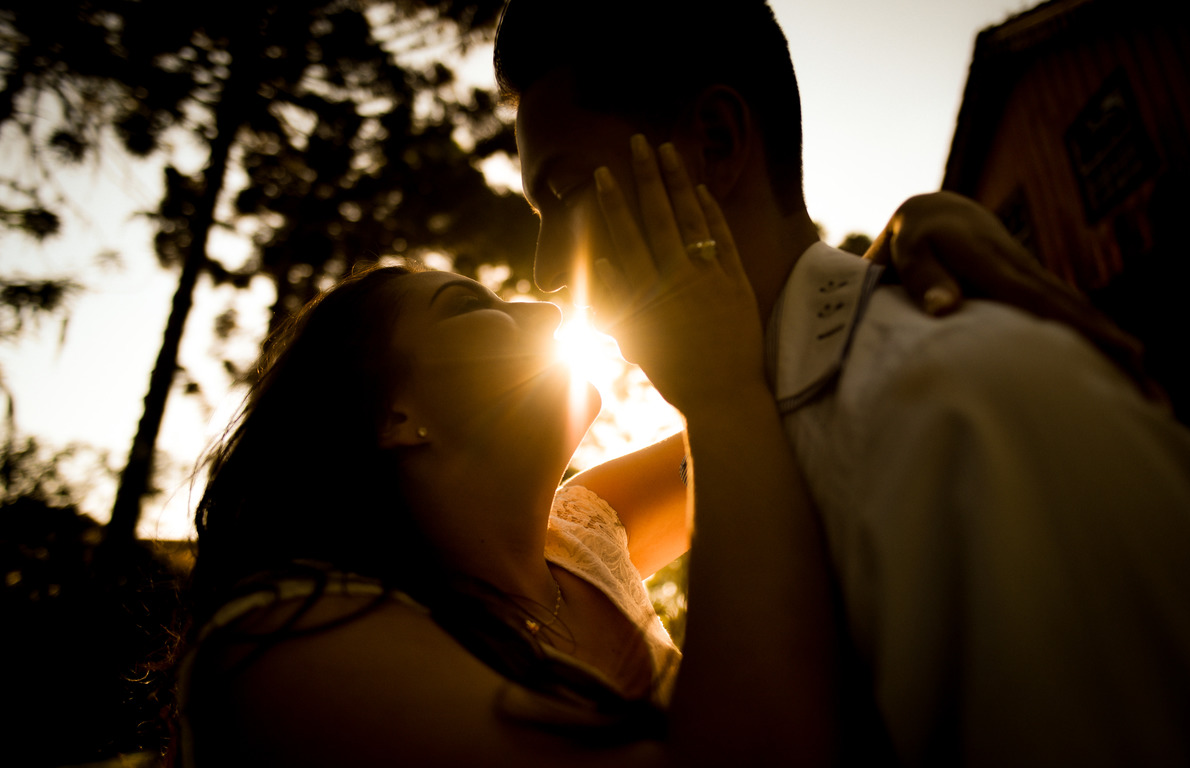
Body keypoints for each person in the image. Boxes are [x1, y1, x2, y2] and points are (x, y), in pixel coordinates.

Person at [493, 0, 1190, 764]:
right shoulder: (751, 429)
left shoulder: (955, 402)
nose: (550, 268)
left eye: (564, 192)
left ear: (717, 142)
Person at [177, 151, 840, 766]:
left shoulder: (588, 534)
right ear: (393, 416)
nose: (547, 316)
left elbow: (796, 405)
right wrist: (718, 395)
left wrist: (894, 260)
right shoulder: (286, 645)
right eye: (471, 306)